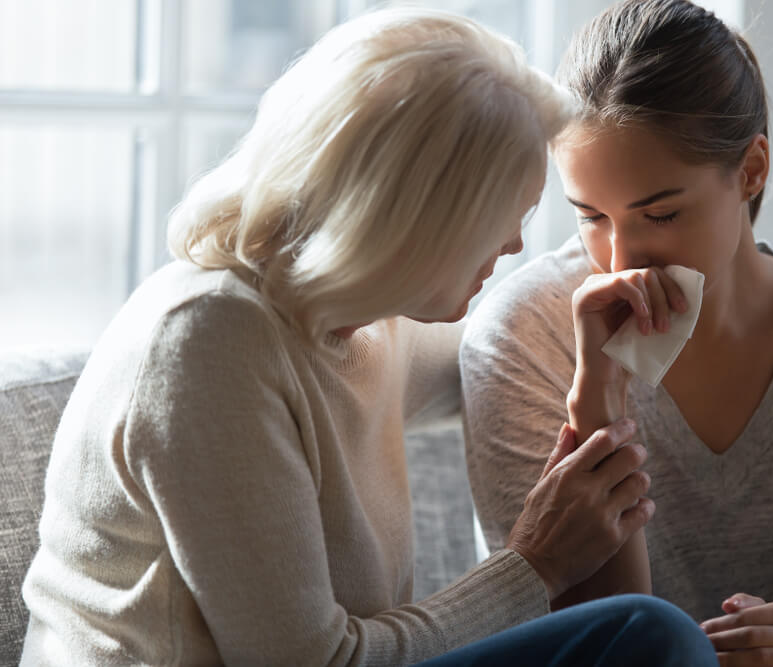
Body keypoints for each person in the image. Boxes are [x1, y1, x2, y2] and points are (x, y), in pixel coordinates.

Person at [19, 8, 720, 666]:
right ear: (413, 219)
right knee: (648, 634)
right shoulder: (208, 343)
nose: (512, 245)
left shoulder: (363, 321)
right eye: (502, 217)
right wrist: (534, 563)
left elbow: (515, 330)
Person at [461, 1, 773, 666]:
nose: (620, 259)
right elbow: (603, 644)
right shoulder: (525, 335)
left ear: (752, 169)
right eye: (590, 216)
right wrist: (599, 402)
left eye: (662, 213)